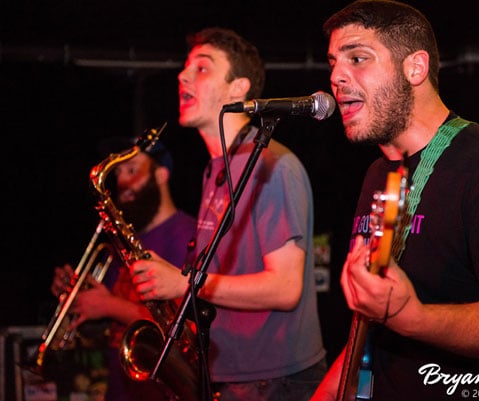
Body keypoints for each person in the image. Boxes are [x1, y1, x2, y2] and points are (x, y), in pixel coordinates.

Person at [310, 1, 479, 400]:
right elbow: (367, 324)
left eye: (358, 58)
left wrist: (415, 318)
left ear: (415, 68)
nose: (337, 76)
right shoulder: (378, 174)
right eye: (334, 61)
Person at [128, 27, 327, 401]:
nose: (182, 76)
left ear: (239, 88)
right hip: (235, 374)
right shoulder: (216, 168)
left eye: (202, 69)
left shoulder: (273, 165)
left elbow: (286, 289)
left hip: (273, 381)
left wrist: (184, 283)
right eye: (186, 68)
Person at [50, 139, 197, 401]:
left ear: (161, 175)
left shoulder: (187, 235)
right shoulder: (126, 240)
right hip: (121, 388)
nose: (122, 182)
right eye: (118, 173)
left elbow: (183, 330)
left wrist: (107, 306)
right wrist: (78, 295)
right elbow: (104, 322)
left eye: (132, 170)